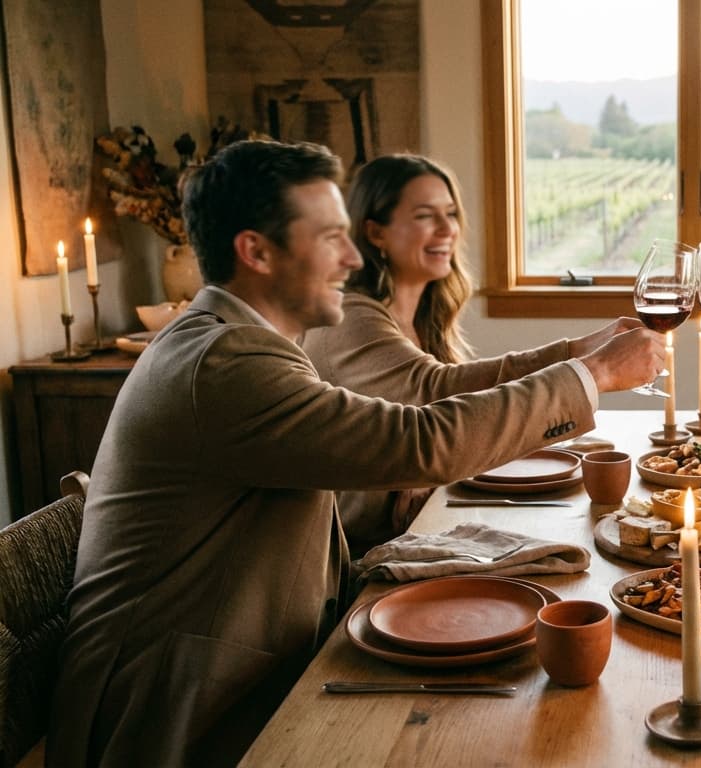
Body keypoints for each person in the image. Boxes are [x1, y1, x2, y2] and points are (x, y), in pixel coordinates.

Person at [47, 139, 663, 766]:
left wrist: (581, 361)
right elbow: (418, 439)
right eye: (330, 238)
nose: (350, 258)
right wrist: (590, 377)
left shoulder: (240, 343)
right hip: (178, 714)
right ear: (255, 251)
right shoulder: (226, 363)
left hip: (244, 671)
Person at [302, 154, 639, 552]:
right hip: (367, 555)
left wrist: (579, 350)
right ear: (376, 232)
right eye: (426, 216)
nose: (448, 229)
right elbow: (437, 393)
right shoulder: (349, 317)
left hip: (423, 524)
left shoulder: (423, 317)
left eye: (451, 213)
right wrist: (586, 364)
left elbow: (457, 414)